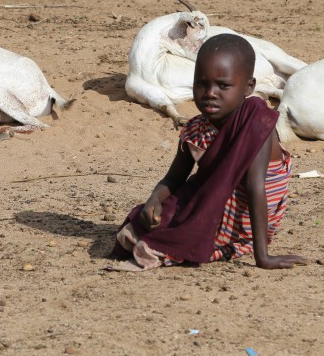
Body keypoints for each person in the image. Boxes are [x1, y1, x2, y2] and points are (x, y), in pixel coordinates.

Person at [111, 34, 307, 271]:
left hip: (241, 219)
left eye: (223, 85)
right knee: (147, 220)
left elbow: (256, 188)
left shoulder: (257, 123)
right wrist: (154, 200)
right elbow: (174, 179)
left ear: (249, 87)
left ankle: (177, 245)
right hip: (207, 202)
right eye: (201, 83)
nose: (210, 93)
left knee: (172, 237)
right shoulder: (196, 129)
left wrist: (263, 256)